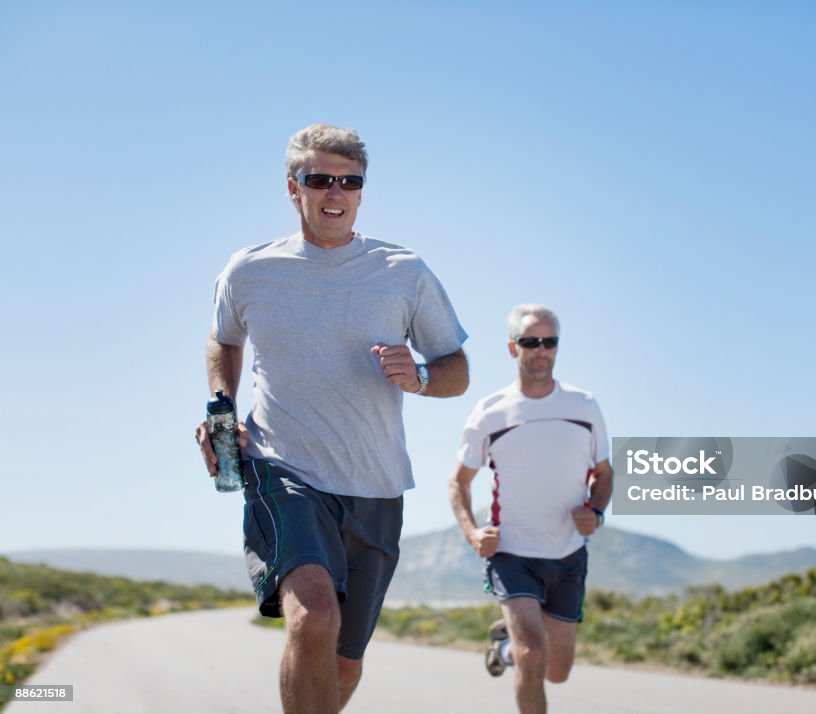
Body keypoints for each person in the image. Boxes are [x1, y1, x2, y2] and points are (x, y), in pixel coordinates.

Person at [195, 123, 469, 714]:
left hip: (375, 485)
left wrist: (419, 376)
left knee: (344, 664)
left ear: (362, 190)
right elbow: (223, 340)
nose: (335, 192)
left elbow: (457, 369)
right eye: (320, 179)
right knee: (312, 617)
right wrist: (221, 404)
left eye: (350, 181)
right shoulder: (250, 271)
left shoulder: (404, 272)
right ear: (293, 188)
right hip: (283, 470)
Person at [448, 304, 612, 714]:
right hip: (512, 552)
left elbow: (605, 474)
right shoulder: (491, 412)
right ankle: (519, 647)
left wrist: (596, 510)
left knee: (557, 670)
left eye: (549, 341)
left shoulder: (585, 406)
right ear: (512, 348)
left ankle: (505, 648)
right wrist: (472, 533)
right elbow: (458, 482)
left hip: (567, 553)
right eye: (530, 341)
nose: (541, 349)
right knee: (533, 655)